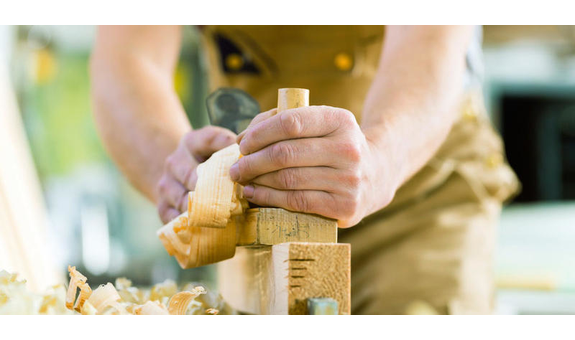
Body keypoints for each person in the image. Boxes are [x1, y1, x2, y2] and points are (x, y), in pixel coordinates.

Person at [90, 25, 520, 315]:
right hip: (258, 208)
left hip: (418, 192)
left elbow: (431, 41)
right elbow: (128, 61)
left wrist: (381, 159)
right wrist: (181, 176)